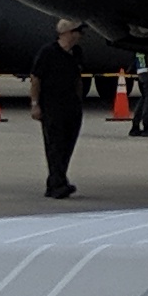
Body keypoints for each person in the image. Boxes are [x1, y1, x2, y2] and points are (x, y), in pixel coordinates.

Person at [28, 16, 97, 200]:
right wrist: (35, 104)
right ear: (67, 33)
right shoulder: (48, 52)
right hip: (52, 106)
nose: (80, 36)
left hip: (72, 106)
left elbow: (78, 78)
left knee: (67, 144)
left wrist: (79, 100)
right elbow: (36, 78)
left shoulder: (76, 53)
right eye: (78, 32)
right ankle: (56, 183)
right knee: (54, 145)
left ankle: (58, 181)